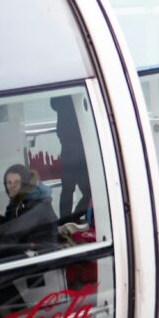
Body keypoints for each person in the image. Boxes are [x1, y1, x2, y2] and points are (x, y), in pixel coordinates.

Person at [0, 165, 57, 259]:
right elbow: (12, 225)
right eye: (9, 182)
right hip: (27, 250)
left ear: (24, 183)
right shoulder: (19, 200)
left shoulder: (37, 204)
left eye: (16, 182)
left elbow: (13, 235)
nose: (11, 186)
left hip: (43, 258)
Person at [50, 95, 91, 223]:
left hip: (66, 148)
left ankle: (64, 222)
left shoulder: (60, 96)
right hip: (80, 148)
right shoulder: (78, 96)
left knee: (67, 189)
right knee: (89, 192)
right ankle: (73, 218)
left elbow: (53, 105)